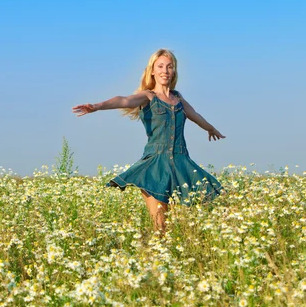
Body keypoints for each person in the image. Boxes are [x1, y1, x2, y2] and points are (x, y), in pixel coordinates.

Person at [72, 48, 225, 233]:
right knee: (160, 226)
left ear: (174, 71)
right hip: (155, 166)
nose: (165, 71)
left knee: (196, 215)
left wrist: (210, 128)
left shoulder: (179, 100)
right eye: (160, 66)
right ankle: (154, 257)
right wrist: (97, 106)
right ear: (152, 70)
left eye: (169, 67)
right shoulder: (147, 96)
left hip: (181, 163)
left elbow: (195, 115)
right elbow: (124, 100)